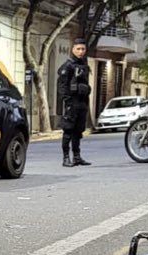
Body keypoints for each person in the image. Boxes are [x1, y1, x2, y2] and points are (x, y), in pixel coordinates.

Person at [58, 38, 92, 167]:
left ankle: (77, 157)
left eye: (83, 49)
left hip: (82, 102)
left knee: (78, 131)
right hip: (71, 102)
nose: (81, 51)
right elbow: (62, 86)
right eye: (78, 49)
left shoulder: (84, 65)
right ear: (73, 49)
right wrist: (67, 100)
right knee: (68, 130)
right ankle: (66, 158)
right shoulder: (68, 65)